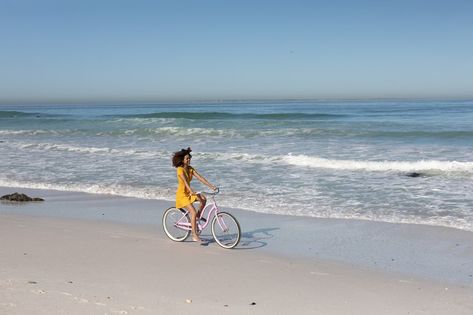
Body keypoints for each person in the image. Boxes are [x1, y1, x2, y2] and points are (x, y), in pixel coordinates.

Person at [172, 147, 217, 242]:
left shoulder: (190, 169)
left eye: (189, 158)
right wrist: (191, 190)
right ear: (182, 160)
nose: (189, 160)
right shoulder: (180, 169)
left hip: (189, 193)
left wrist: (211, 186)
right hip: (182, 195)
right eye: (187, 158)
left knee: (203, 199)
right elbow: (184, 181)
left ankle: (197, 218)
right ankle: (194, 235)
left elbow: (200, 177)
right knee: (192, 211)